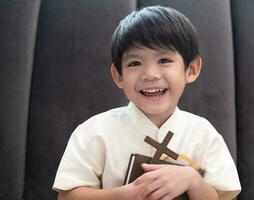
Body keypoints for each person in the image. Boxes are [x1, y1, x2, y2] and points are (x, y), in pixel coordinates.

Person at [53, 5, 241, 200]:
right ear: (118, 76)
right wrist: (125, 195)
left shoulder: (204, 134)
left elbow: (222, 197)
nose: (150, 74)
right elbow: (67, 196)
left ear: (191, 69)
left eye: (164, 60)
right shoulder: (94, 131)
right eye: (135, 63)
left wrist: (192, 180)